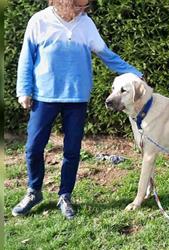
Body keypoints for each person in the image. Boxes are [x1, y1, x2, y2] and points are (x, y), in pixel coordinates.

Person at [13, 0, 143, 219]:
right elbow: (26, 58)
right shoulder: (39, 21)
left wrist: (135, 73)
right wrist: (23, 90)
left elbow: (107, 55)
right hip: (45, 97)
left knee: (72, 151)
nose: (83, 9)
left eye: (85, 5)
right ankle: (34, 191)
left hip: (77, 98)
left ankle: (65, 195)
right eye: (79, 5)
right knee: (33, 147)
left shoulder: (86, 24)